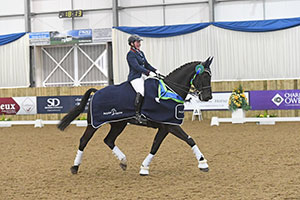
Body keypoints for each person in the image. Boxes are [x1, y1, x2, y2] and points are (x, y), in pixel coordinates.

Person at [127, 34, 161, 123]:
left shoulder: (141, 53)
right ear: (131, 44)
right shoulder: (130, 54)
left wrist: (155, 70)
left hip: (142, 76)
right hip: (135, 77)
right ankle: (136, 114)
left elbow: (146, 64)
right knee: (141, 91)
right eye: (137, 42)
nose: (139, 44)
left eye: (139, 42)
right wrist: (148, 72)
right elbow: (136, 67)